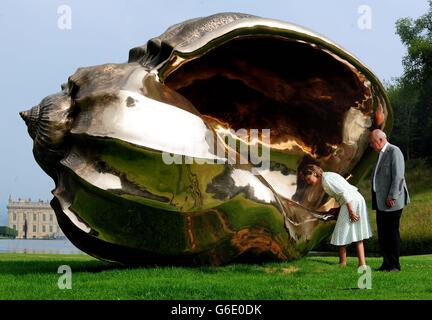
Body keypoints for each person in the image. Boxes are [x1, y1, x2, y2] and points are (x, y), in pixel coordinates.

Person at [303, 164, 372, 268]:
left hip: (351, 202)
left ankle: (342, 263)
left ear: (314, 173)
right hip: (357, 199)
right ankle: (362, 264)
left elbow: (344, 193)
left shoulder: (326, 180)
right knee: (358, 234)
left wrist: (351, 211)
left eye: (308, 179)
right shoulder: (328, 176)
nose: (308, 182)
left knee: (340, 233)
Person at [369, 129, 410, 272]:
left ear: (380, 140)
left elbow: (398, 177)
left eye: (372, 142)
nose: (371, 145)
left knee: (392, 234)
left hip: (391, 201)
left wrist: (392, 196)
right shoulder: (380, 154)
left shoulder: (394, 151)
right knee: (383, 234)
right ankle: (386, 263)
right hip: (380, 201)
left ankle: (394, 265)